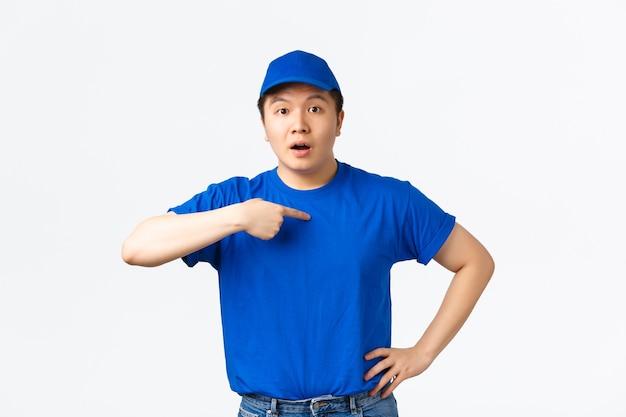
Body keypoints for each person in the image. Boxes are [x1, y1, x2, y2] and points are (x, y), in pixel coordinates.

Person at [121, 49, 494, 417]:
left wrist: (423, 352)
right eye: (282, 110)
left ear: (339, 120)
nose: (299, 123)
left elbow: (475, 261)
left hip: (360, 408)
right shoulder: (233, 200)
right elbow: (136, 248)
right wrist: (238, 218)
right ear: (265, 126)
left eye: (315, 108)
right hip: (262, 410)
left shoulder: (387, 200)